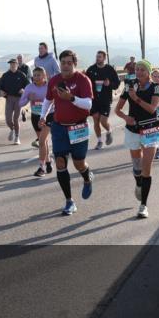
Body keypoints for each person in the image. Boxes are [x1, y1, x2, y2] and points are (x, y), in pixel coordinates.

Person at [40, 50, 94, 216]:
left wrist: (71, 98)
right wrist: (42, 116)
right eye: (63, 62)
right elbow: (48, 100)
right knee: (61, 163)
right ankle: (69, 201)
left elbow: (88, 105)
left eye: (69, 62)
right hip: (59, 127)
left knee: (79, 163)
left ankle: (87, 176)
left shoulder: (83, 80)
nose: (65, 65)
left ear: (74, 64)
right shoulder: (54, 81)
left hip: (78, 127)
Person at [115, 60, 159, 219]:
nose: (139, 72)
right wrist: (126, 117)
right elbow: (117, 109)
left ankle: (143, 205)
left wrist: (135, 98)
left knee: (146, 168)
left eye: (143, 70)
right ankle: (138, 183)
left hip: (150, 129)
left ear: (149, 72)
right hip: (133, 130)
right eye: (137, 69)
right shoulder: (130, 85)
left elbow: (151, 109)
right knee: (137, 167)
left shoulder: (156, 86)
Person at [18, 67, 52, 176]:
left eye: (38, 75)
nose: (36, 77)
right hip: (35, 116)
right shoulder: (29, 87)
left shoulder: (49, 87)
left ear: (44, 76)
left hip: (48, 116)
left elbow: (54, 100)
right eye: (34, 75)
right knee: (44, 141)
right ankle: (48, 161)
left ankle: (41, 168)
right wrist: (28, 98)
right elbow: (20, 103)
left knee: (41, 141)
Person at [85, 50, 120, 150]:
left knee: (103, 121)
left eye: (100, 57)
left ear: (104, 58)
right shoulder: (91, 69)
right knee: (96, 120)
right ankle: (99, 141)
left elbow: (117, 84)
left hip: (106, 99)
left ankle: (109, 131)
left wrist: (109, 84)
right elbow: (85, 83)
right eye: (97, 56)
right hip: (94, 99)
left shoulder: (110, 69)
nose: (97, 58)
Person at [0, 57, 29, 145]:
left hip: (19, 99)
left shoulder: (21, 75)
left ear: (17, 65)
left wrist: (23, 89)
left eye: (14, 64)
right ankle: (12, 129)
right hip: (9, 98)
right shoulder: (5, 75)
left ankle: (17, 137)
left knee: (16, 119)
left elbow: (28, 84)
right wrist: (1, 91)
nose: (12, 66)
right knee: (8, 120)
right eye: (11, 64)